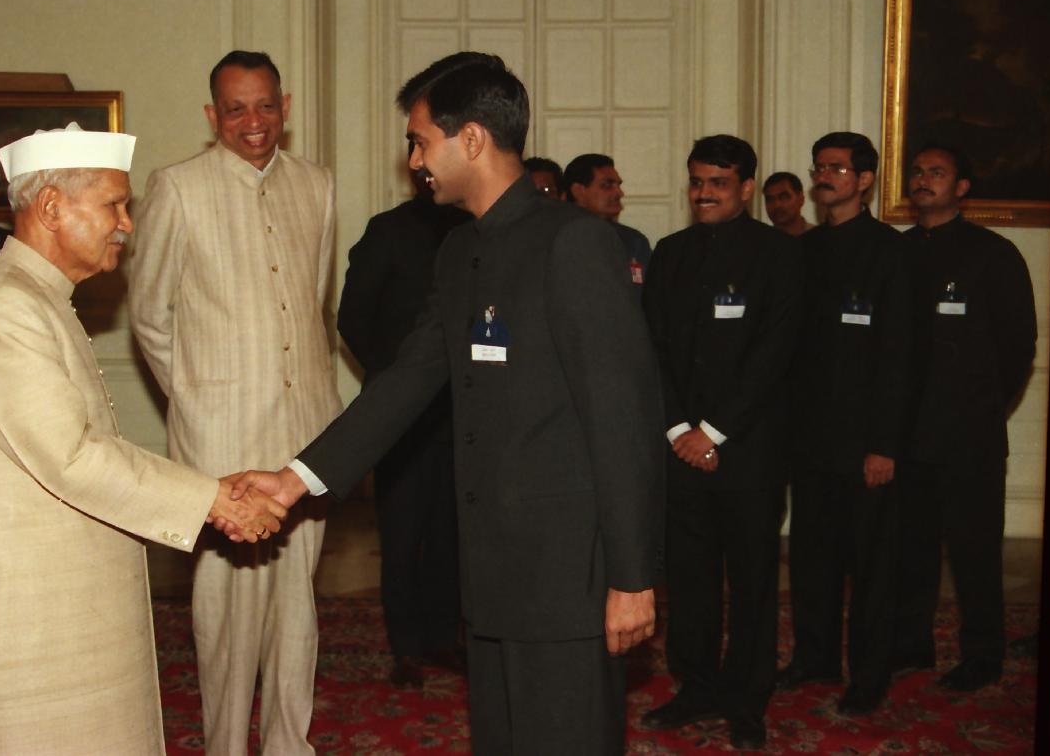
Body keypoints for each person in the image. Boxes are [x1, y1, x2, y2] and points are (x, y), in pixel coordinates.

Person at [233, 52, 664, 755]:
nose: (414, 161)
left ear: (471, 139)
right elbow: (407, 378)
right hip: (490, 572)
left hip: (569, 579)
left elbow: (623, 420)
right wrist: (293, 480)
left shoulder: (575, 243)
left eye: (420, 141)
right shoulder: (460, 250)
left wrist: (634, 577)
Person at [0, 123, 286, 755]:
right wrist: (214, 499)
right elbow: (72, 457)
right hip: (14, 626)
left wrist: (211, 491)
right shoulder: (7, 310)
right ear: (52, 208)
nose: (126, 224)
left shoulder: (37, 298)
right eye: (114, 205)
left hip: (52, 611)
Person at [129, 50, 342, 756]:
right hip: (221, 440)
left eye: (266, 105)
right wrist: (197, 398)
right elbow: (150, 316)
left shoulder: (317, 184)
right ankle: (224, 745)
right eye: (236, 108)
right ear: (212, 115)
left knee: (297, 605)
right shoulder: (178, 187)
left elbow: (312, 303)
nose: (254, 122)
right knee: (225, 613)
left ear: (286, 106)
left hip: (306, 435)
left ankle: (288, 744)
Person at [638, 134, 802, 751]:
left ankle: (747, 698)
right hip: (679, 449)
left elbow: (775, 353)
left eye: (718, 183)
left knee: (753, 580)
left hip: (750, 451)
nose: (704, 193)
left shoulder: (779, 254)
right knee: (690, 580)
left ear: (746, 188)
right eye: (697, 181)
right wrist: (678, 429)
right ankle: (697, 685)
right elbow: (650, 346)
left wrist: (713, 432)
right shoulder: (670, 253)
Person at [893, 144, 1036, 692]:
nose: (922, 179)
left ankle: (982, 655)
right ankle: (912, 645)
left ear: (962, 188)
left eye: (936, 172)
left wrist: (981, 408)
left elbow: (1018, 346)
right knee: (912, 550)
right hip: (907, 434)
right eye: (917, 172)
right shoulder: (896, 252)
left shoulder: (994, 254)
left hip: (969, 434)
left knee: (975, 553)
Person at [778, 132, 910, 714]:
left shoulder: (891, 251)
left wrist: (884, 444)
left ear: (865, 180)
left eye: (836, 168)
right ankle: (816, 656)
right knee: (812, 557)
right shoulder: (803, 250)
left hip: (866, 441)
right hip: (809, 438)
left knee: (872, 565)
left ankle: (870, 674)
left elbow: (901, 355)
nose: (823, 177)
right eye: (819, 167)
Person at [336, 163, 467, 688]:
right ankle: (406, 647)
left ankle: (443, 638)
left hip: (462, 411)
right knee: (401, 533)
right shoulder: (387, 230)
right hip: (400, 417)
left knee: (451, 533)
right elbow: (352, 317)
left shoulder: (474, 226)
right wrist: (396, 385)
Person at [565, 153, 651, 289]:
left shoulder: (634, 241)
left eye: (618, 185)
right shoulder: (559, 238)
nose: (619, 193)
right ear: (578, 191)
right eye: (607, 185)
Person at [762, 171, 812, 236]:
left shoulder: (819, 237)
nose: (776, 205)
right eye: (770, 199)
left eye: (784, 197)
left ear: (801, 199)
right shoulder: (759, 240)